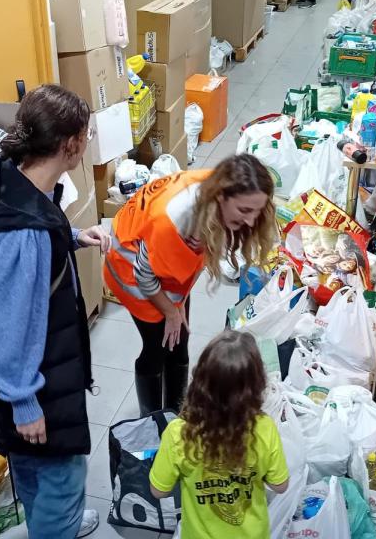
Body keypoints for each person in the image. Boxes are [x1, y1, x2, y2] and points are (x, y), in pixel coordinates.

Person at [0, 85, 110, 539]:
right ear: (71, 145)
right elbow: (7, 324)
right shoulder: (21, 233)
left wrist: (68, 237)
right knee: (62, 479)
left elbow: (36, 240)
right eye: (86, 135)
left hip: (34, 374)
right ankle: (56, 525)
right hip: (32, 385)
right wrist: (24, 402)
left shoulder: (14, 179)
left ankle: (51, 521)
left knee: (31, 472)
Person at [104, 155, 277, 415]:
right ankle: (151, 421)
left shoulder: (218, 187)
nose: (252, 221)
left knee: (179, 340)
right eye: (244, 211)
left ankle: (174, 414)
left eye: (257, 211)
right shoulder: (172, 220)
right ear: (221, 197)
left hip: (159, 259)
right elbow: (144, 276)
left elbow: (193, 260)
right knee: (157, 347)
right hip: (130, 265)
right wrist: (171, 310)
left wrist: (179, 302)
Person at [149, 330, 290, 538]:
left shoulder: (179, 433)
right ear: (256, 386)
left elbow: (158, 490)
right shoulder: (264, 428)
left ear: (199, 381)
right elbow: (280, 485)